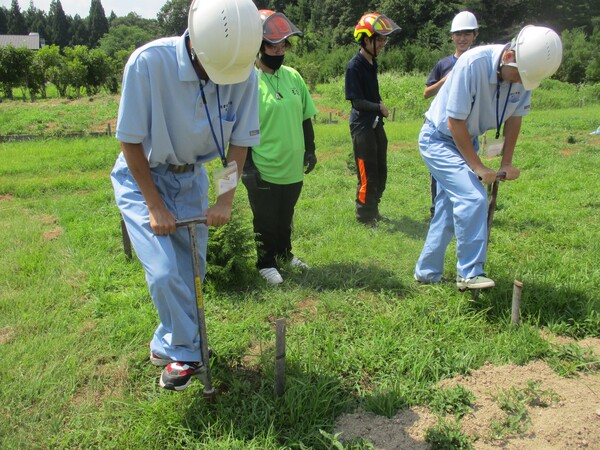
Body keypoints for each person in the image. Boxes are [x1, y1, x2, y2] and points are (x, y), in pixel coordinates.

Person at [110, 0, 262, 391]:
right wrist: (155, 206)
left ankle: (169, 343)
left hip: (191, 177)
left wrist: (225, 199)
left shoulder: (242, 71)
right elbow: (130, 141)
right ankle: (187, 353)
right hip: (142, 176)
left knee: (192, 270)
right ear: (195, 42)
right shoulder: (148, 64)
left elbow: (239, 145)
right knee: (164, 272)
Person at [413, 25, 562, 290]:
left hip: (466, 139)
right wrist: (478, 166)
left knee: (448, 209)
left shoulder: (525, 72)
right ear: (508, 57)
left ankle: (426, 273)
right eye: (516, 77)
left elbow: (515, 119)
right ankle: (469, 273)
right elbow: (455, 122)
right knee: (473, 196)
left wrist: (507, 161)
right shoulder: (473, 63)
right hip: (439, 138)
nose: (519, 83)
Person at [242, 10, 318, 285]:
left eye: (283, 44)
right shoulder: (248, 82)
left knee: (286, 216)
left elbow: (304, 116)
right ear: (259, 46)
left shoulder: (293, 77)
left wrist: (310, 149)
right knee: (265, 219)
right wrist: (247, 166)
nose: (279, 50)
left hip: (292, 166)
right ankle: (265, 262)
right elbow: (240, 130)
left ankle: (285, 254)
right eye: (272, 44)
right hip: (264, 166)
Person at [345, 12, 401, 226]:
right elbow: (356, 101)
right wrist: (379, 107)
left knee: (380, 170)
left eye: (384, 39)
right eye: (379, 39)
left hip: (376, 125)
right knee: (367, 173)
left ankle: (374, 209)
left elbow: (371, 93)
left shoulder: (371, 63)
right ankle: (364, 216)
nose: (383, 43)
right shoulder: (354, 66)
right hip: (362, 128)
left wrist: (378, 105)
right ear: (366, 39)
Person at [424, 11, 479, 218]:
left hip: (467, 128)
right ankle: (436, 211)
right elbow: (426, 93)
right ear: (452, 37)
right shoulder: (443, 64)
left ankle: (463, 211)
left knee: (467, 169)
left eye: (466, 34)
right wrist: (445, 80)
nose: (462, 38)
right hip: (442, 128)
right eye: (458, 34)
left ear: (475, 35)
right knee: (439, 173)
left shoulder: (478, 62)